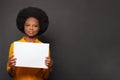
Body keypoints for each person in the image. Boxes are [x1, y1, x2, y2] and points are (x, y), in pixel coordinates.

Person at [6, 7, 53, 80]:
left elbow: (45, 77)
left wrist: (49, 67)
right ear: (23, 26)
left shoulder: (43, 48)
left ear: (39, 28)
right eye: (28, 25)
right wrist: (10, 66)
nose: (31, 28)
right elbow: (11, 75)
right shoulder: (15, 46)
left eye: (35, 26)